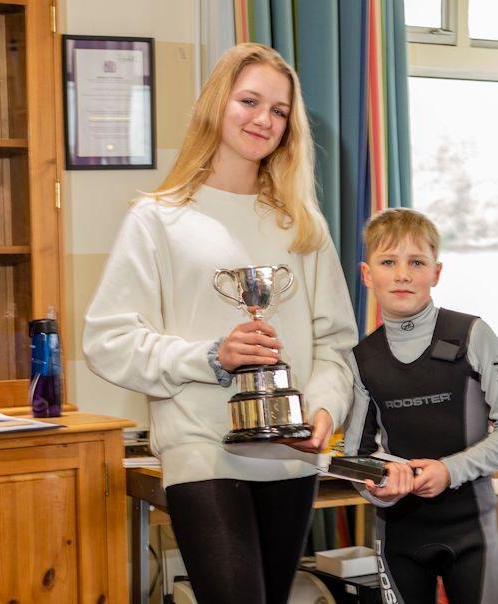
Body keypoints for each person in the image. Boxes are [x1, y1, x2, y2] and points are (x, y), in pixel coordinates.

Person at [83, 43, 358, 604]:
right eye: (250, 100)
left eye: (279, 111)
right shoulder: (158, 218)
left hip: (290, 455)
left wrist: (324, 411)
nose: (263, 119)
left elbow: (335, 345)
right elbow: (106, 341)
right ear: (217, 104)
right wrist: (210, 357)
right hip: (202, 449)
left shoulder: (302, 225)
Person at [344, 208, 498, 604]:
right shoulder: (362, 358)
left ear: (436, 272)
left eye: (416, 262)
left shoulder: (472, 334)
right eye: (388, 262)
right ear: (366, 274)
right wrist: (383, 487)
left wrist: (450, 470)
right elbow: (354, 458)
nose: (402, 275)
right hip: (397, 535)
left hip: (472, 532)